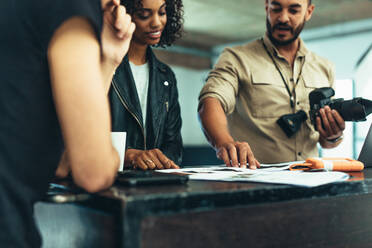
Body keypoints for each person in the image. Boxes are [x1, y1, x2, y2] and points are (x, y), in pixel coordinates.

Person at [0, 0, 135, 247]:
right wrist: (115, 155)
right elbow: (93, 172)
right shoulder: (72, 7)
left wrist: (109, 60)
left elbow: (62, 165)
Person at [198, 0, 345, 169]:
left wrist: (333, 135)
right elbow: (211, 101)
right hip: (255, 184)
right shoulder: (236, 58)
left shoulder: (324, 68)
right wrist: (223, 142)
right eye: (276, 8)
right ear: (267, 7)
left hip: (310, 183)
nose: (283, 18)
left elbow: (326, 143)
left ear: (308, 12)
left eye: (294, 10)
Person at [109, 0, 184, 170]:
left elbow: (174, 145)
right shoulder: (103, 66)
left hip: (153, 184)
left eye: (162, 13)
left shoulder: (166, 76)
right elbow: (83, 138)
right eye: (144, 15)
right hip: (109, 181)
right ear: (124, 15)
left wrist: (160, 162)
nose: (157, 22)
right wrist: (129, 156)